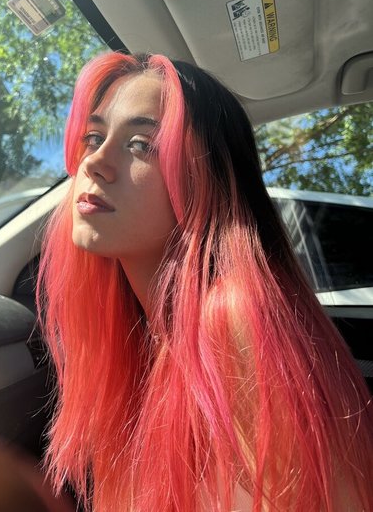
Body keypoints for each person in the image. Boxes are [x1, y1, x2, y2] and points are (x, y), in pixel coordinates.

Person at [37, 52, 373, 512]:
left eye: (140, 145)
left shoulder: (233, 316)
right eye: (93, 136)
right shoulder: (138, 337)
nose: (95, 161)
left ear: (207, 180)